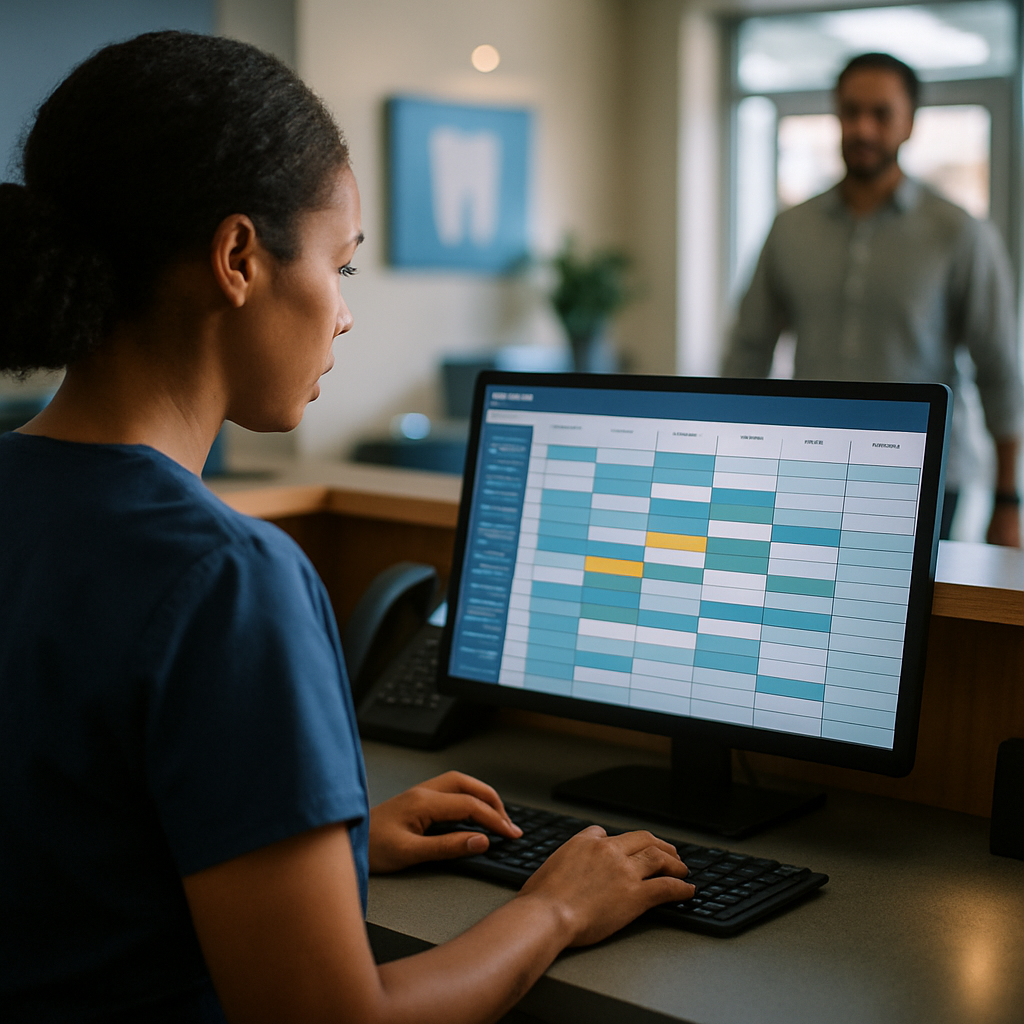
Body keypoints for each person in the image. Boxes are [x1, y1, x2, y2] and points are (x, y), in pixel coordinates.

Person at [0, 31, 694, 1024]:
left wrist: (324, 837)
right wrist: (555, 908)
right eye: (343, 266)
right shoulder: (227, 578)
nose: (343, 314)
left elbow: (80, 855)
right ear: (238, 258)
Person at [724, 52, 1024, 546]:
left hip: (925, 479)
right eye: (851, 111)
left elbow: (999, 370)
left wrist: (1008, 500)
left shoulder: (959, 233)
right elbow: (747, 352)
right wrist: (733, 462)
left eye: (881, 114)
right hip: (809, 469)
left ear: (910, 124)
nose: (863, 128)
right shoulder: (790, 229)